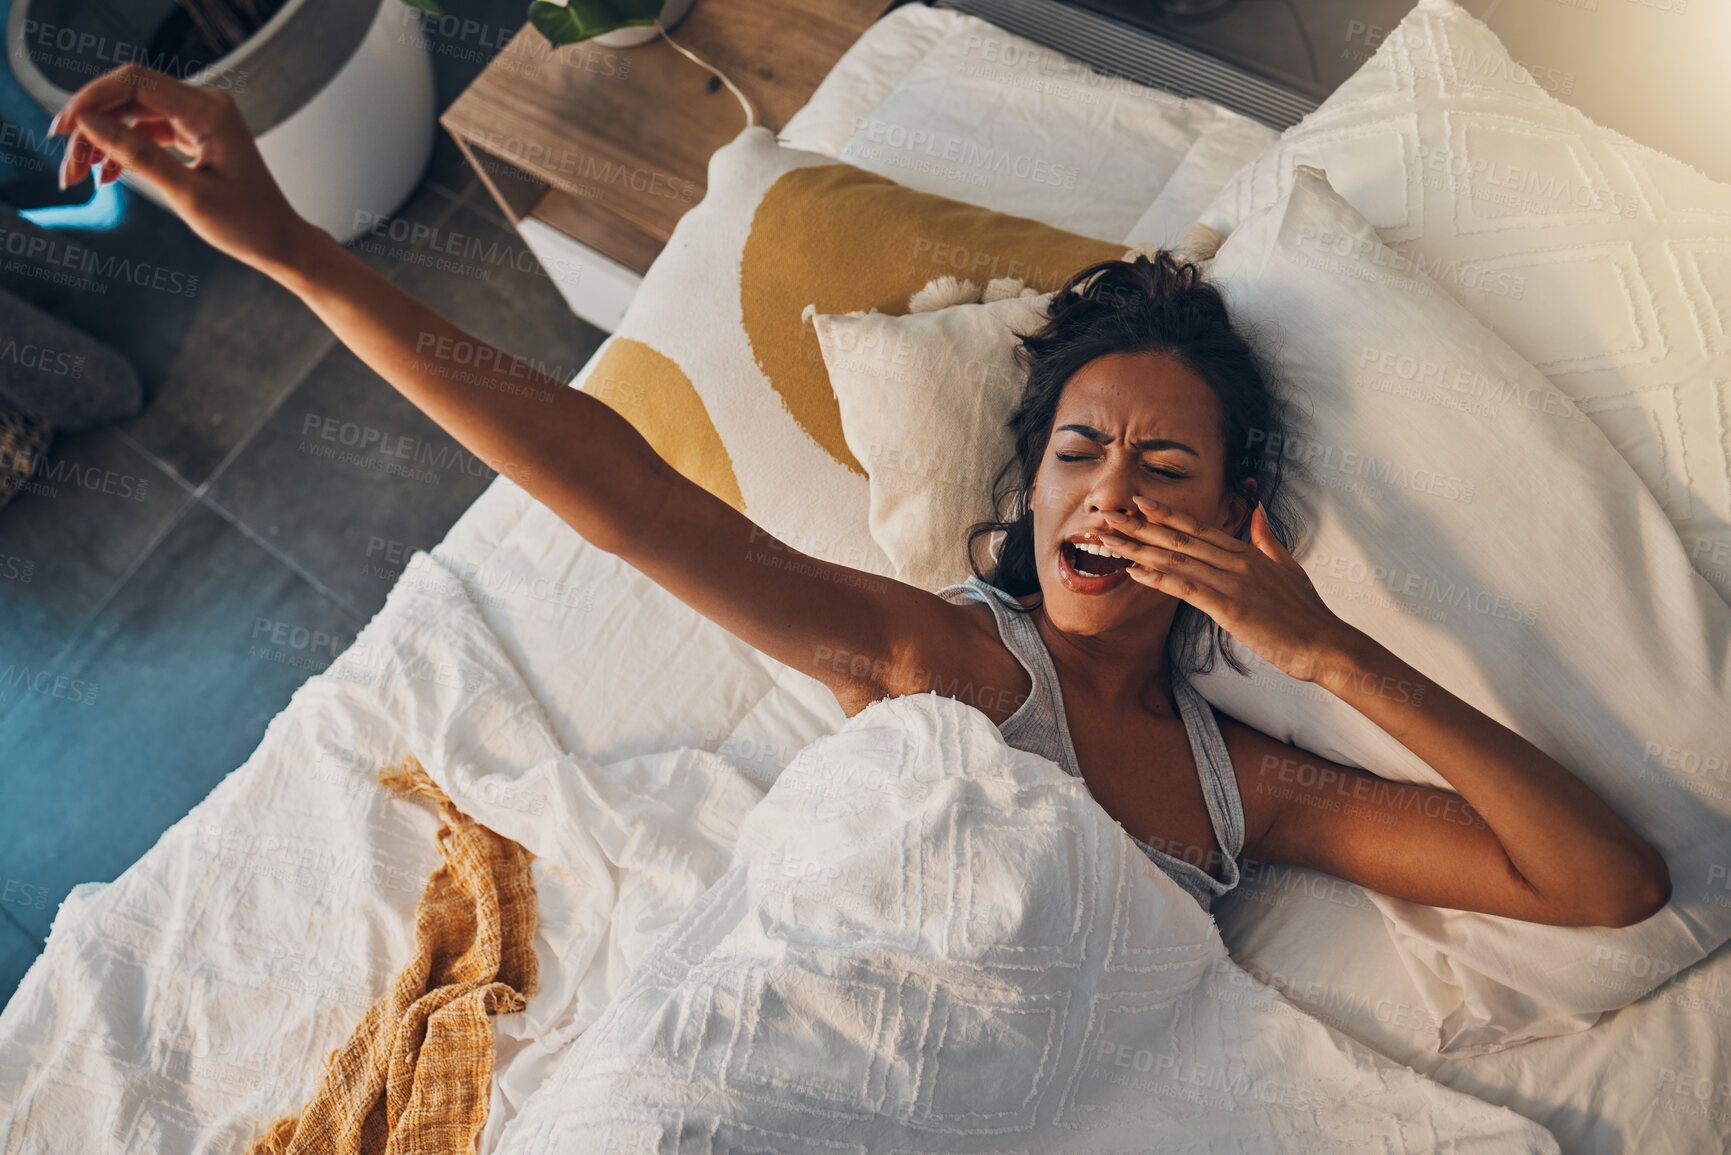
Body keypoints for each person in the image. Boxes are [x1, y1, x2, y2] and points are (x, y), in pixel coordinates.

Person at [50, 64, 1672, 928]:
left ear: (1235, 522)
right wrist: (290, 249)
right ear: (1028, 494)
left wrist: (1328, 656)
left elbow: (1606, 884)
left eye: (1164, 467)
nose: (1108, 494)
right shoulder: (954, 657)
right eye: (1078, 454)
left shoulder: (1256, 788)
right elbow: (623, 496)